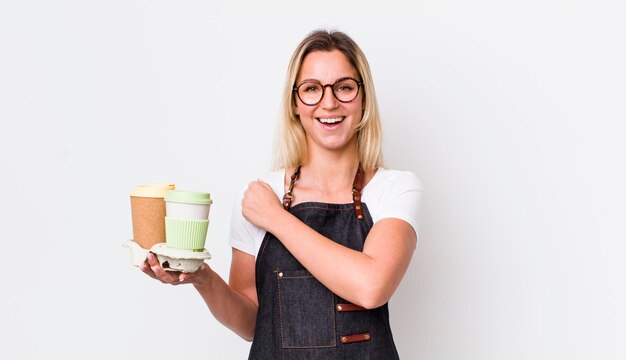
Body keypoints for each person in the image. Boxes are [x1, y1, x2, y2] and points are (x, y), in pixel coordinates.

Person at [141, 29, 422, 359]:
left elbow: (371, 287)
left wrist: (276, 218)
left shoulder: (394, 189)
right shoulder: (261, 194)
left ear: (363, 99)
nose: (329, 102)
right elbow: (252, 324)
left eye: (344, 87)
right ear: (295, 103)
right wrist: (202, 277)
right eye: (312, 89)